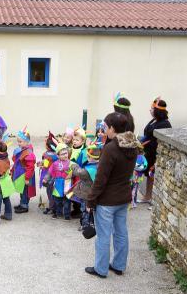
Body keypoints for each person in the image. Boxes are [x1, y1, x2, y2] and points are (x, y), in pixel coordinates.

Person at [85, 112, 141, 278]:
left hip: (107, 200)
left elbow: (101, 179)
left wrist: (91, 200)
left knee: (103, 236)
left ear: (113, 128)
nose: (104, 130)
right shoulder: (133, 145)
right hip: (123, 197)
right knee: (121, 232)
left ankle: (101, 269)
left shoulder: (110, 149)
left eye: (106, 127)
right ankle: (118, 265)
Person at [139, 97, 172, 203]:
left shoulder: (165, 124)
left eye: (152, 109)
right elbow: (147, 134)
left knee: (154, 176)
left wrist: (144, 143)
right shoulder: (154, 120)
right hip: (149, 153)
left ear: (157, 111)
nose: (150, 110)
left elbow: (155, 140)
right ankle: (147, 196)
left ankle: (155, 200)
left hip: (157, 154)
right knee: (149, 175)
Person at [70, 144, 101, 230]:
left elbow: (78, 172)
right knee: (94, 210)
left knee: (85, 210)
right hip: (96, 194)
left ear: (90, 157)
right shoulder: (100, 166)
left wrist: (73, 165)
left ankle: (85, 225)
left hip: (87, 194)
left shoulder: (88, 171)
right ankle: (93, 224)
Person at [43, 143, 72, 220]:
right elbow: (49, 172)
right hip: (58, 184)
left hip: (67, 184)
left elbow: (75, 171)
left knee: (66, 201)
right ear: (58, 156)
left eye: (66, 153)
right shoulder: (55, 164)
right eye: (62, 154)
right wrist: (46, 179)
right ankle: (58, 213)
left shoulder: (71, 163)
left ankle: (67, 215)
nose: (65, 155)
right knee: (57, 200)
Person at [12, 127, 36, 214]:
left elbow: (30, 167)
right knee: (22, 190)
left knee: (25, 190)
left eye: (20, 142)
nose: (18, 143)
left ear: (27, 142)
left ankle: (24, 205)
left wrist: (27, 178)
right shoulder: (22, 149)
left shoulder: (29, 153)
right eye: (18, 141)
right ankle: (22, 203)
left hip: (25, 175)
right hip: (21, 174)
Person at [38, 132, 59, 215]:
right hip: (55, 175)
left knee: (50, 192)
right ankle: (54, 206)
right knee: (54, 191)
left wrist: (41, 164)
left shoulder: (47, 154)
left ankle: (52, 207)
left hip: (48, 175)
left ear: (48, 146)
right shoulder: (57, 154)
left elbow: (46, 165)